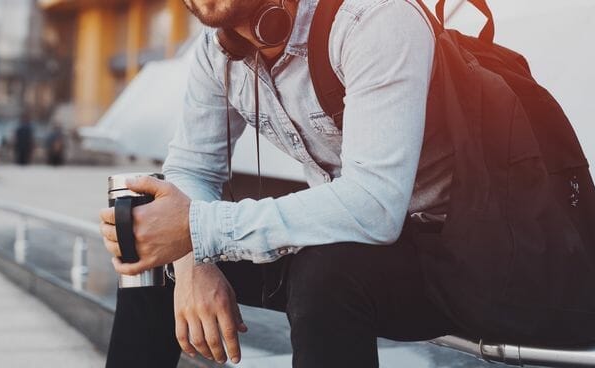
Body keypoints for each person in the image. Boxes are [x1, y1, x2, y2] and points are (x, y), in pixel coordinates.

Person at [99, 0, 456, 366]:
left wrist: (197, 230)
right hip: (339, 247)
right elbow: (193, 168)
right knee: (148, 227)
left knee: (326, 270)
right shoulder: (216, 49)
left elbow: (374, 206)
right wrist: (192, 262)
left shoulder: (372, 19)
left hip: (451, 262)